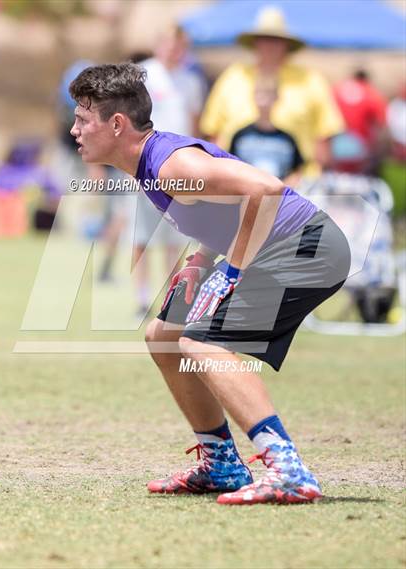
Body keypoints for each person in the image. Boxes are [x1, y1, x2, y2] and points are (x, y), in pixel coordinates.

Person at [69, 62, 351, 505]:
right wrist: (202, 260)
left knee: (202, 344)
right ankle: (221, 464)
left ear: (117, 124)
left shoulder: (170, 164)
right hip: (277, 248)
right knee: (164, 336)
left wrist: (232, 272)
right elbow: (224, 210)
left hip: (307, 249)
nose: (74, 130)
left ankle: (288, 470)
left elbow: (265, 189)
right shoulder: (149, 164)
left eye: (84, 119)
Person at [200, 7, 344, 177]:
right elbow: (212, 132)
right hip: (237, 181)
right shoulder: (233, 76)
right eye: (264, 39)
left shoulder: (310, 80)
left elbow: (325, 136)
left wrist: (316, 180)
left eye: (275, 39)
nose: (269, 45)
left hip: (296, 183)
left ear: (286, 44)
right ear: (255, 43)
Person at [131, 25, 206, 316]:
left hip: (182, 170)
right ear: (158, 44)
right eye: (170, 45)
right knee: (142, 236)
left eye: (180, 46)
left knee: (176, 238)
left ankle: (171, 297)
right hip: (147, 166)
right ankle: (141, 296)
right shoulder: (143, 75)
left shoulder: (190, 81)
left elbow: (194, 125)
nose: (175, 51)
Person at [229, 76, 304, 186]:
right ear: (253, 96)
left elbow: (296, 172)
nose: (264, 101)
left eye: (268, 95)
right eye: (260, 94)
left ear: (277, 98)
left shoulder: (287, 139)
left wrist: (281, 189)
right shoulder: (240, 136)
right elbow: (230, 168)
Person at [333, 69, 387, 174]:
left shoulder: (337, 90)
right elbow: (380, 123)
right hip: (360, 145)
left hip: (336, 143)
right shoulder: (371, 93)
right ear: (366, 79)